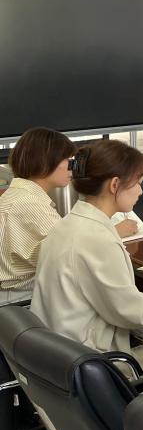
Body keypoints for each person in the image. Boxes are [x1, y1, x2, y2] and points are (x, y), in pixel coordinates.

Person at [31, 139, 143, 362]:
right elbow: (139, 316)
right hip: (91, 362)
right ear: (114, 185)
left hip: (57, 355)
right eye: (138, 182)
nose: (141, 191)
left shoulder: (67, 225)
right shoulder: (97, 240)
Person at [0, 127, 76, 305]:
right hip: (21, 300)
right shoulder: (30, 203)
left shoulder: (17, 195)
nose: (72, 167)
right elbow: (72, 254)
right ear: (45, 162)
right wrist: (112, 232)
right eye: (68, 160)